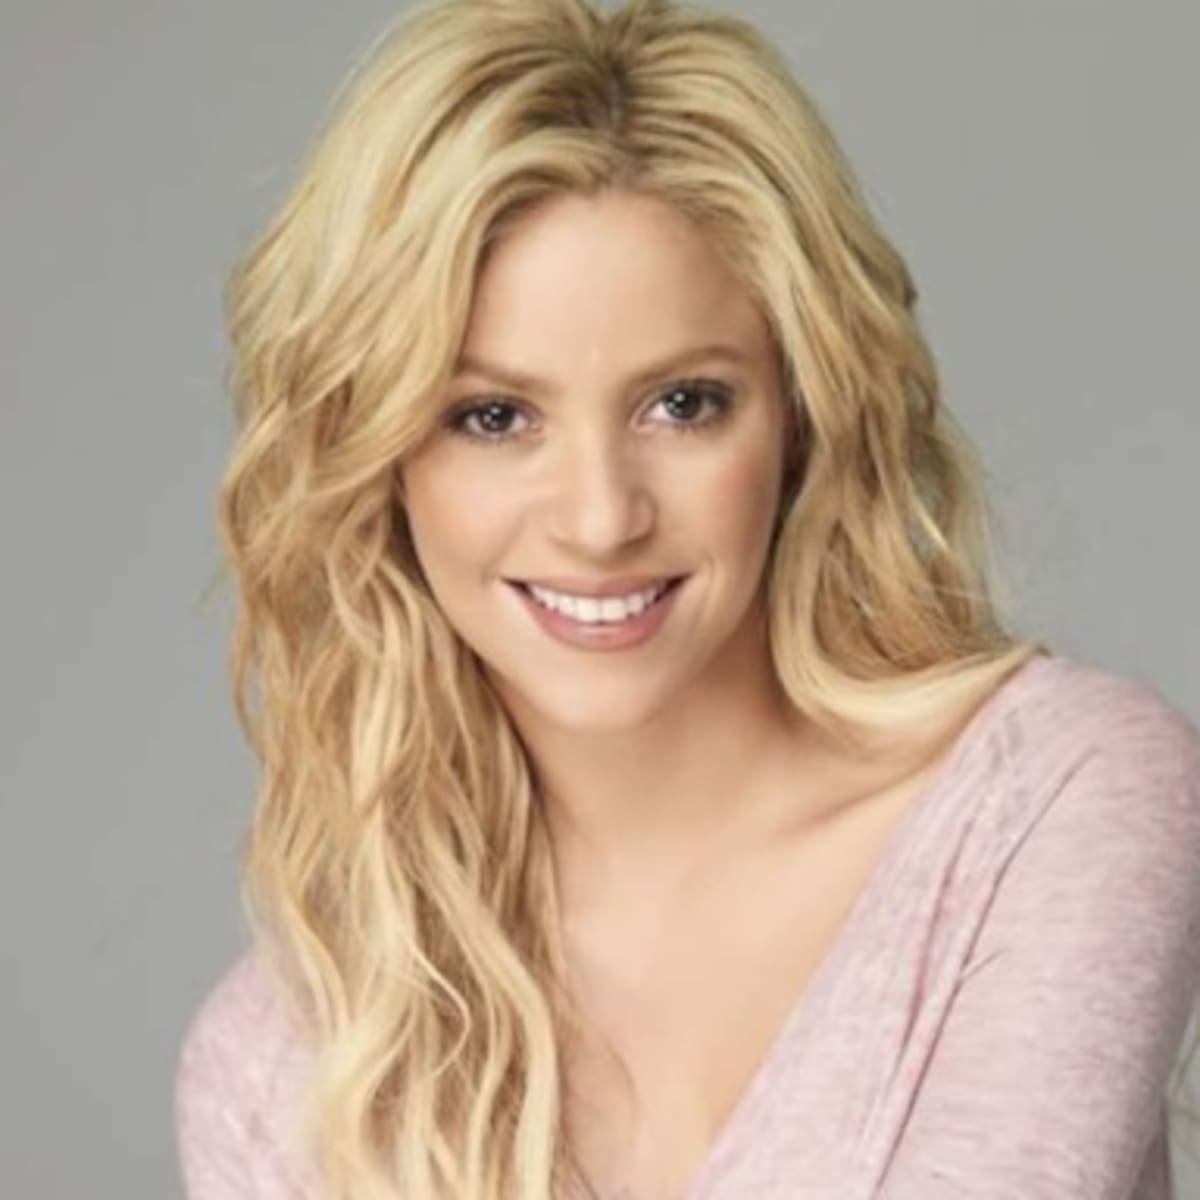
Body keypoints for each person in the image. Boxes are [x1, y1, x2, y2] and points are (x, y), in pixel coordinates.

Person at [174, 0, 1200, 1197]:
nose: (601, 518)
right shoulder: (291, 1070)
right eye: (493, 417)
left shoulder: (1053, 809)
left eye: (684, 404)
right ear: (376, 460)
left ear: (801, 414)